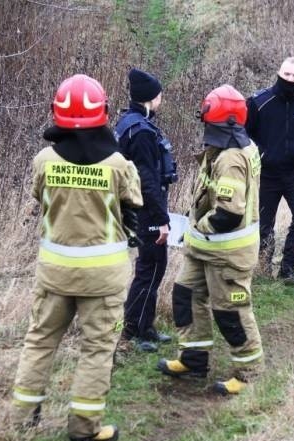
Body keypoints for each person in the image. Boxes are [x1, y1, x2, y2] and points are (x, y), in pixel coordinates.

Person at [11, 74, 143, 441]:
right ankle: (85, 428)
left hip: (54, 272)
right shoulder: (118, 164)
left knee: (39, 341)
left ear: (57, 111)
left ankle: (22, 418)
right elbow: (134, 209)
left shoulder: (43, 160)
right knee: (97, 349)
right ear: (102, 112)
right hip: (103, 276)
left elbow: (39, 199)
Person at [157, 85, 263, 396]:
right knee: (185, 296)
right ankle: (193, 358)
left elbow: (228, 213)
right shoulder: (219, 148)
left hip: (226, 252)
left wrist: (198, 227)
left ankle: (249, 373)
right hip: (203, 247)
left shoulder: (231, 158)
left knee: (231, 311)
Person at [245, 57, 294, 288]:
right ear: (279, 73)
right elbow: (244, 132)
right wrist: (259, 152)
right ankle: (262, 266)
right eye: (287, 75)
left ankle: (288, 268)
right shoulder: (260, 102)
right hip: (266, 174)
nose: (290, 79)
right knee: (262, 224)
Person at [116, 68, 176, 352]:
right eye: (159, 94)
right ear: (152, 97)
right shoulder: (140, 131)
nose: (161, 98)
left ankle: (145, 326)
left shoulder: (129, 123)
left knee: (150, 266)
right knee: (151, 267)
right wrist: (162, 219)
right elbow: (147, 180)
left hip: (139, 208)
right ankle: (135, 331)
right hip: (146, 210)